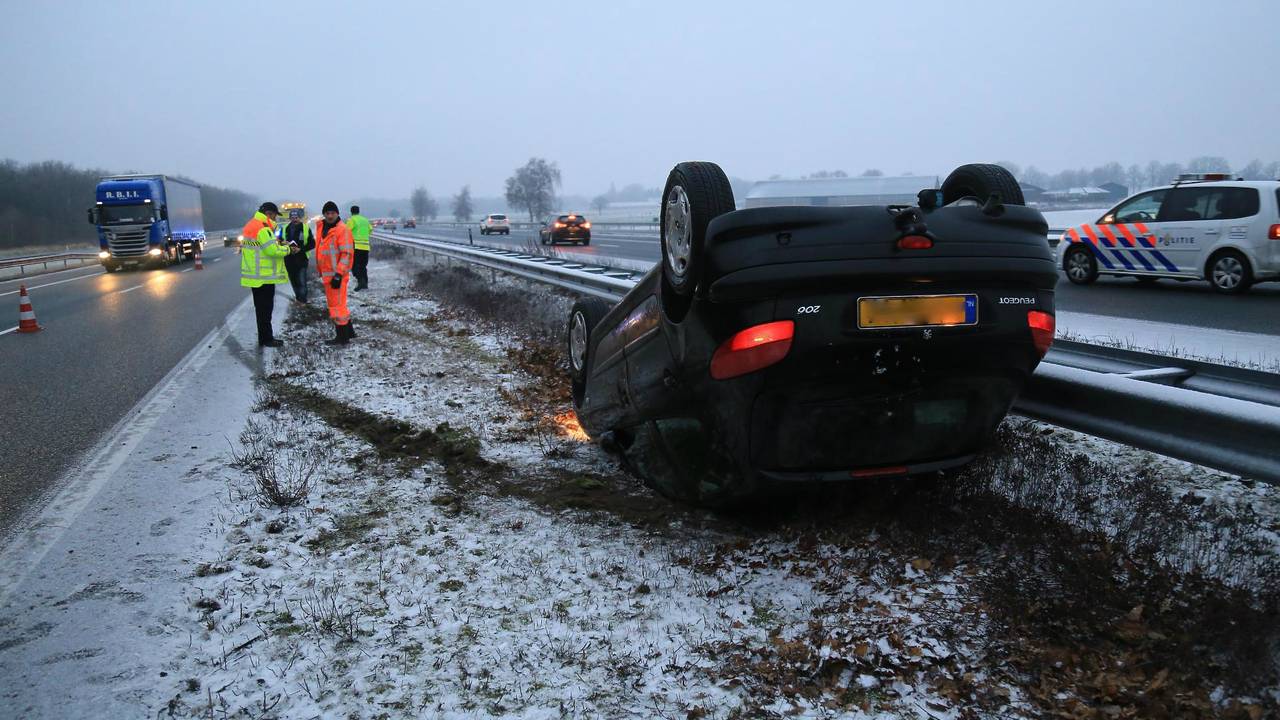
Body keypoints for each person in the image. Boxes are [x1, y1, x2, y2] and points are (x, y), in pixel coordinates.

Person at [240, 202, 297, 347]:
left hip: (255, 274)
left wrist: (281, 243)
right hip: (263, 276)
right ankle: (267, 339)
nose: (275, 219)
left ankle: (264, 337)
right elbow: (272, 251)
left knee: (261, 310)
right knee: (265, 310)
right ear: (268, 214)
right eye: (274, 216)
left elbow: (264, 246)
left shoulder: (251, 225)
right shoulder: (263, 228)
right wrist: (289, 250)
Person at [315, 201, 356, 345]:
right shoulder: (323, 228)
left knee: (337, 307)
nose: (330, 216)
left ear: (337, 213)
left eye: (332, 213)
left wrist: (339, 274)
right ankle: (349, 332)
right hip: (328, 275)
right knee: (338, 304)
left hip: (337, 276)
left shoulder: (342, 230)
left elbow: (347, 254)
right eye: (327, 213)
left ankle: (342, 337)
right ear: (324, 214)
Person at [280, 209, 316, 304]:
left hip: (302, 259)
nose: (295, 219)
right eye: (292, 217)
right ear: (290, 218)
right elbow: (278, 241)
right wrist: (282, 242)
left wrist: (300, 249)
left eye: (296, 217)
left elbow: (312, 244)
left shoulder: (305, 228)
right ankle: (298, 298)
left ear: (300, 218)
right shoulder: (284, 228)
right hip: (289, 259)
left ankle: (303, 300)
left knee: (301, 281)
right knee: (293, 281)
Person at [347, 205, 373, 291]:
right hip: (365, 246)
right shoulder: (365, 220)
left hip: (356, 246)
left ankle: (361, 282)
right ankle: (365, 283)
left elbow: (346, 231)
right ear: (359, 211)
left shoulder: (352, 220)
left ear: (351, 212)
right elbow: (370, 230)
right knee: (363, 266)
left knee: (354, 266)